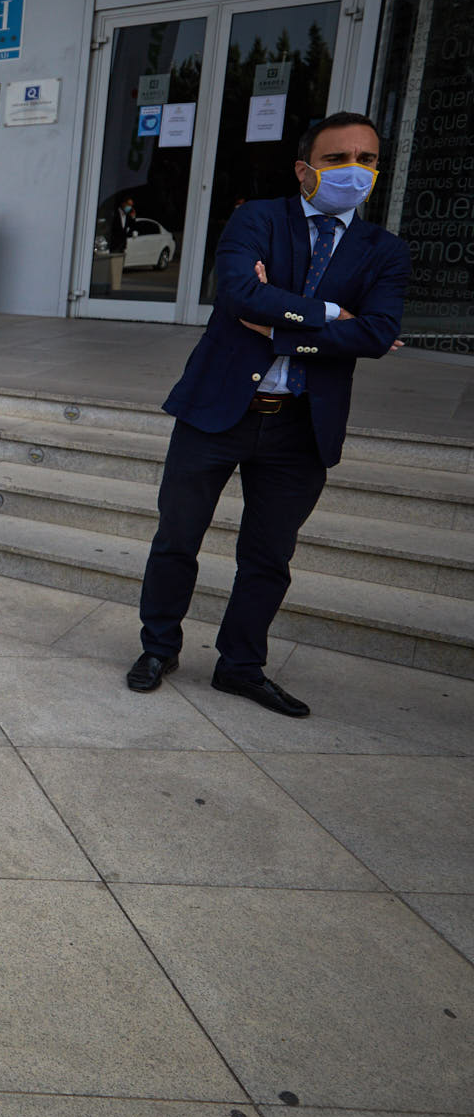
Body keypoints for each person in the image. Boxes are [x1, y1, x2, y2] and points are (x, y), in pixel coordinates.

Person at [128, 112, 407, 715]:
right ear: (305, 168)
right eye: (337, 159)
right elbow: (238, 295)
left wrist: (285, 329)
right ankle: (159, 647)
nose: (354, 170)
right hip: (215, 410)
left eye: (367, 159)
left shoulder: (384, 251)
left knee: (269, 556)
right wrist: (336, 316)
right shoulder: (258, 218)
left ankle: (241, 666)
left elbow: (380, 332)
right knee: (177, 538)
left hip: (300, 426)